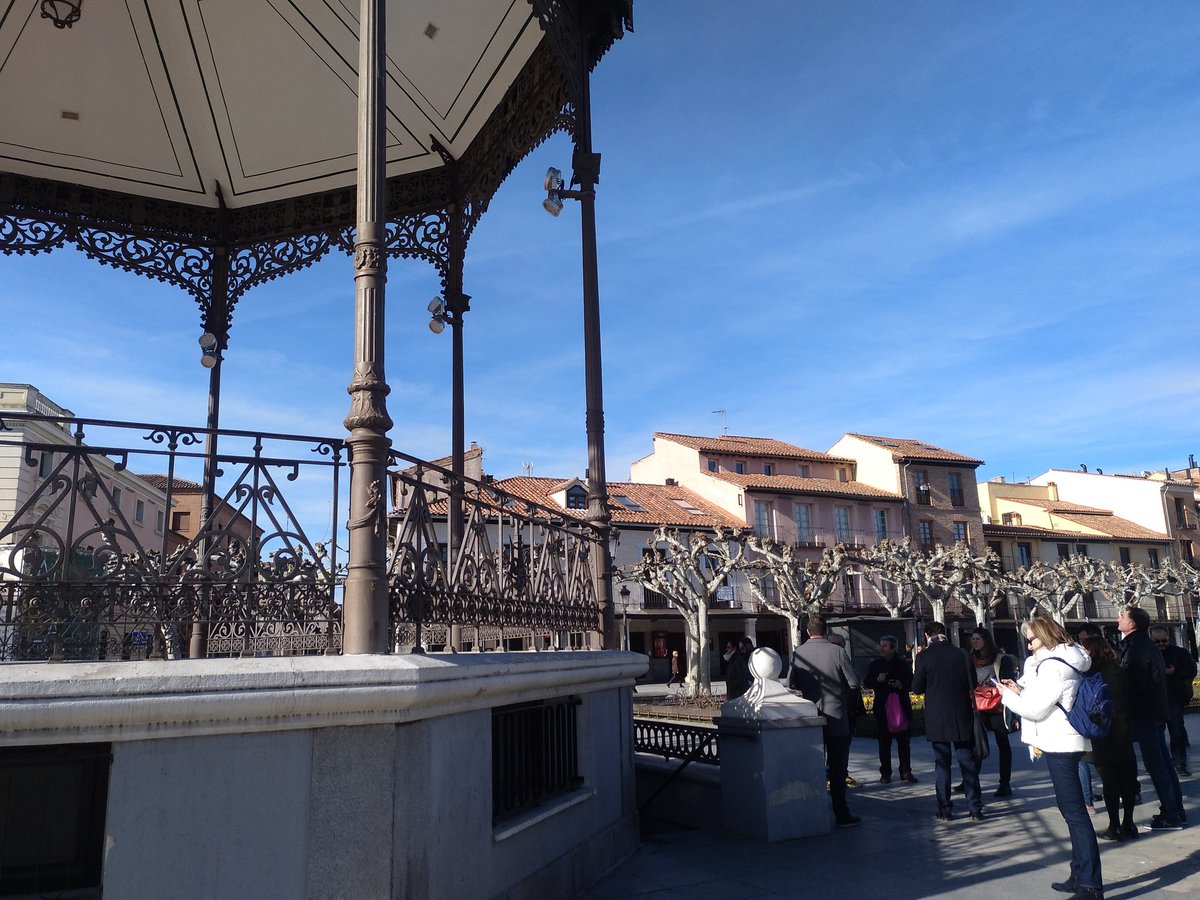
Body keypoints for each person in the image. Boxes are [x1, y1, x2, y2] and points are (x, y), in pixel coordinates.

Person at [998, 616, 1102, 900]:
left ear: (1045, 636)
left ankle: (1091, 886)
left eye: (1031, 639)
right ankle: (1079, 873)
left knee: (1075, 814)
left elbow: (1035, 710)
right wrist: (1020, 689)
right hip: (1062, 739)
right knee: (1071, 812)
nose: (1028, 645)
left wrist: (1007, 696)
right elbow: (1043, 699)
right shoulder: (1059, 661)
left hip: (1062, 742)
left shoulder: (1054, 667)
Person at [789, 615, 862, 828]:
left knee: (811, 764)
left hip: (810, 717)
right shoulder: (837, 651)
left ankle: (811, 810)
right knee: (837, 768)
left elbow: (791, 684)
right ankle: (841, 813)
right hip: (837, 717)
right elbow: (854, 683)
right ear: (826, 631)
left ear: (807, 632)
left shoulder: (798, 654)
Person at [1117, 607, 1185, 830]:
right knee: (1163, 763)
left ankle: (1171, 813)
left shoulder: (1136, 647)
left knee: (1156, 764)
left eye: (1122, 616)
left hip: (1145, 713)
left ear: (1133, 624)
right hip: (1154, 712)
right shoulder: (1142, 645)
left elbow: (1135, 684)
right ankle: (1176, 809)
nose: (1118, 619)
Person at [912, 621, 981, 822]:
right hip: (961, 714)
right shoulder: (961, 654)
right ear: (944, 633)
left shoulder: (924, 656)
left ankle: (945, 809)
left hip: (937, 716)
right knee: (966, 761)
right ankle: (975, 808)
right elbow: (973, 683)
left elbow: (916, 688)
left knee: (942, 763)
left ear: (927, 635)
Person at [1080, 634, 1139, 841]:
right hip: (1123, 728)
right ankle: (1129, 823)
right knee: (1126, 777)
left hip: (1103, 730)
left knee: (1109, 780)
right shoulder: (1119, 670)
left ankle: (1114, 825)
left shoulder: (1091, 673)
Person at [968, 627, 1017, 797]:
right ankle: (971, 780)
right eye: (973, 639)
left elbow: (1008, 681)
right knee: (976, 742)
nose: (974, 642)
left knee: (1002, 743)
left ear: (986, 641)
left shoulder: (999, 659)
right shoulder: (971, 658)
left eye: (977, 639)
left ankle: (1005, 782)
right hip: (977, 705)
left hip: (996, 705)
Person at [866, 635, 917, 784]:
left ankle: (906, 771)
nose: (881, 649)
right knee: (884, 743)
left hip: (901, 707)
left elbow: (912, 683)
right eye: (880, 646)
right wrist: (877, 680)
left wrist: (901, 685)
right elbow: (867, 682)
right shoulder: (875, 664)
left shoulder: (903, 664)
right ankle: (885, 773)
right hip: (883, 708)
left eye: (885, 646)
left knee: (903, 742)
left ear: (893, 648)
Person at [1150, 625, 1196, 776]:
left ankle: (1179, 763)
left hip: (1174, 697)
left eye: (1164, 641)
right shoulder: (1148, 653)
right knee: (1155, 734)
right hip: (1154, 699)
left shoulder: (1180, 652)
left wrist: (1175, 671)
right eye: (1157, 642)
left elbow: (1191, 670)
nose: (1161, 644)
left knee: (1176, 731)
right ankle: (1157, 763)